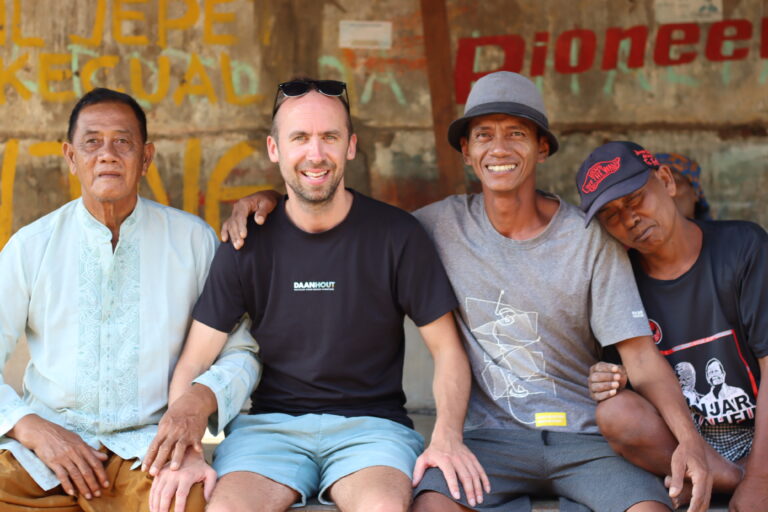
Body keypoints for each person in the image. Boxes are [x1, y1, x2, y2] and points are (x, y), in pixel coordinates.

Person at [219, 72, 714, 512]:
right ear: (468, 152)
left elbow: (642, 358)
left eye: (516, 134)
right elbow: (341, 219)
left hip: (583, 437)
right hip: (486, 441)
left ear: (542, 147)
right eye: (484, 136)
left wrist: (687, 441)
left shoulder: (587, 237)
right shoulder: (434, 227)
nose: (499, 149)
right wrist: (268, 203)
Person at [148, 77, 487, 512]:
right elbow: (194, 359)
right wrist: (188, 451)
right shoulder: (245, 244)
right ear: (275, 150)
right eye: (300, 138)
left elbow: (448, 350)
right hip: (269, 431)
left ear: (350, 146)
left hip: (372, 429)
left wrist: (447, 437)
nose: (315, 153)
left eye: (330, 137)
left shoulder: (396, 235)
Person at [0, 88, 259, 511]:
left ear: (146, 157)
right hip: (45, 451)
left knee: (187, 502)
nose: (107, 154)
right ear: (70, 157)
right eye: (92, 142)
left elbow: (242, 349)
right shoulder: (31, 247)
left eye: (123, 141)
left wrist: (197, 403)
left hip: (150, 452)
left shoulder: (193, 241)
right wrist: (30, 427)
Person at [582, 141, 767, 511]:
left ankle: (739, 475)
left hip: (759, 431)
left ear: (665, 181)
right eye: (612, 215)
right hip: (687, 441)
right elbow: (634, 376)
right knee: (615, 412)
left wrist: (761, 481)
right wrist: (608, 377)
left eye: (635, 199)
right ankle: (720, 477)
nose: (630, 219)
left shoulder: (743, 247)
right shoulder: (619, 279)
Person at [655, 152, 712, 220]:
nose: (665, 187)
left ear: (695, 193)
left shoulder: (717, 230)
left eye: (675, 180)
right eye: (658, 182)